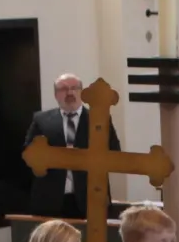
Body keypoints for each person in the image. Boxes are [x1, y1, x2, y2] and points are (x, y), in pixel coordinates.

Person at [23, 73, 122, 218]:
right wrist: (59, 157)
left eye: (74, 88)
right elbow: (28, 153)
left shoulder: (99, 119)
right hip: (50, 199)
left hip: (90, 197)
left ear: (82, 92)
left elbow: (115, 153)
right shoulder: (41, 120)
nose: (70, 93)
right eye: (63, 89)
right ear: (56, 95)